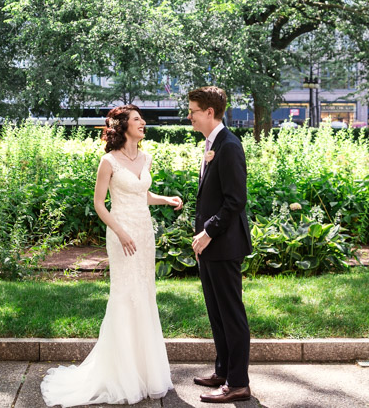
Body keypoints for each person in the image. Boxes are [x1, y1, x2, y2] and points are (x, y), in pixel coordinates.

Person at [41, 104, 182, 407]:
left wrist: (164, 199)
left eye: (142, 119)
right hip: (121, 234)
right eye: (137, 119)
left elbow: (141, 194)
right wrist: (120, 231)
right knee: (125, 295)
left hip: (144, 233)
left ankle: (146, 373)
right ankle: (121, 375)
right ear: (123, 127)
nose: (143, 122)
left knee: (144, 294)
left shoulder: (146, 157)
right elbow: (100, 204)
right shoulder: (108, 161)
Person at [187, 86, 253, 404]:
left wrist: (208, 231)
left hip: (224, 245)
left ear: (209, 112)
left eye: (193, 111)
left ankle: (238, 383)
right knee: (216, 314)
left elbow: (235, 200)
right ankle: (224, 371)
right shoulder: (212, 144)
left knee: (231, 315)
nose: (189, 116)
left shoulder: (229, 146)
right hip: (210, 246)